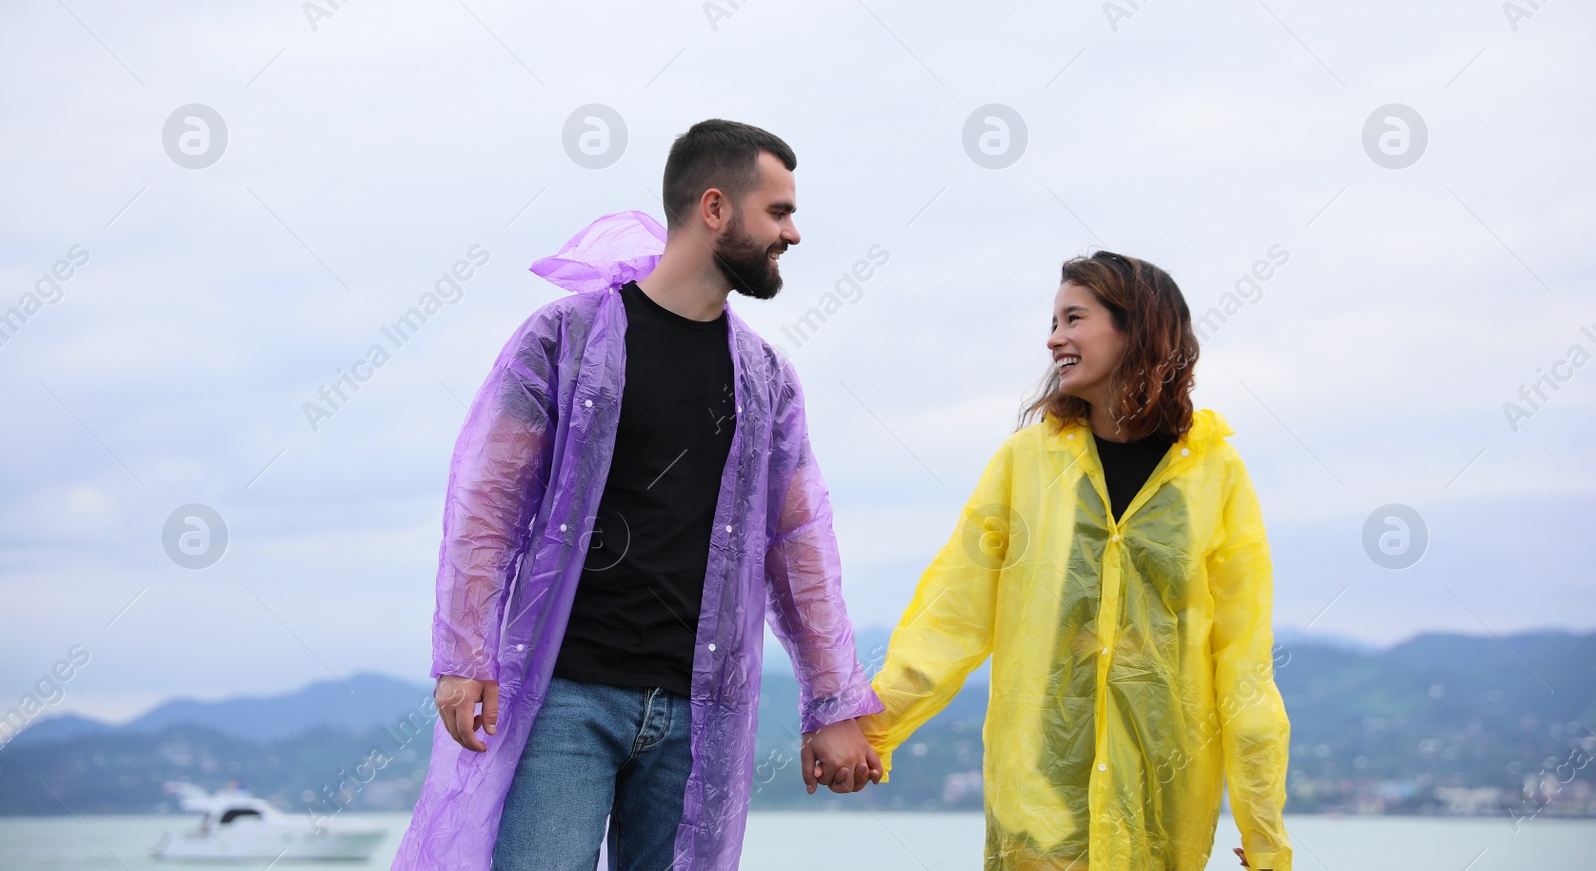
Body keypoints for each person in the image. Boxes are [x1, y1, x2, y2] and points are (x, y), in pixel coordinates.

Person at [392, 119, 883, 871]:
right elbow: (486, 506)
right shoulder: (565, 338)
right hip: (566, 698)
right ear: (715, 208)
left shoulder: (768, 381)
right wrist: (464, 654)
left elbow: (800, 548)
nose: (793, 233)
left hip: (702, 715)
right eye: (778, 211)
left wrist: (834, 705)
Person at [859, 251, 1293, 870]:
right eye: (1053, 319)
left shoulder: (1216, 476)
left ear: (1136, 330)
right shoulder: (1025, 465)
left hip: (1162, 814)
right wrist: (869, 728)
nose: (1053, 337)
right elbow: (950, 618)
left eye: (1073, 318)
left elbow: (1243, 664)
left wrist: (1267, 841)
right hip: (1037, 813)